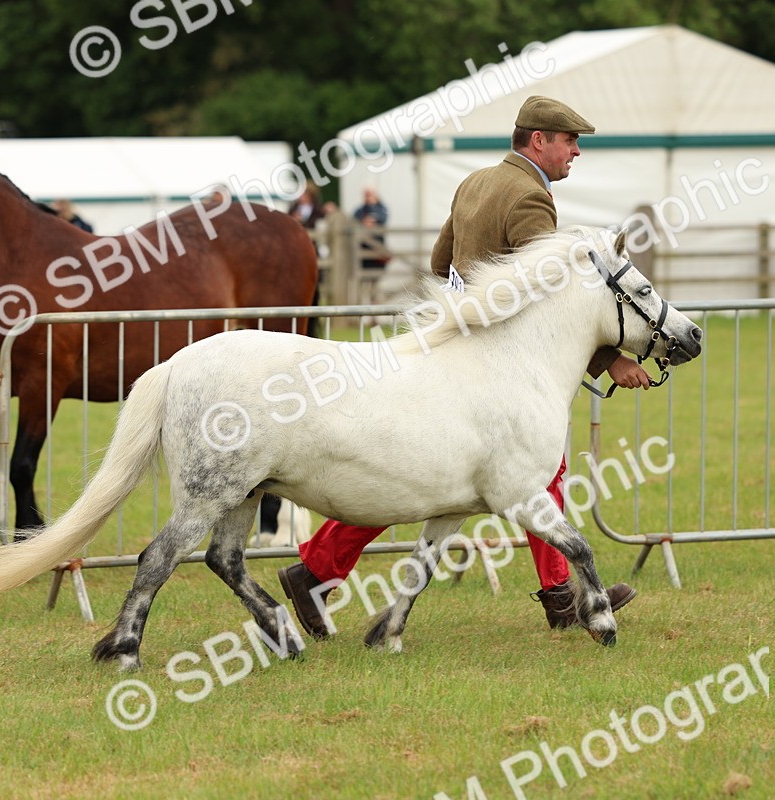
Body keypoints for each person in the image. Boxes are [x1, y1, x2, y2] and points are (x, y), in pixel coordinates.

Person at [279, 96, 651, 638]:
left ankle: (316, 570)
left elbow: (440, 262)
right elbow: (549, 297)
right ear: (539, 141)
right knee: (535, 472)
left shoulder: (475, 181)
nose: (575, 152)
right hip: (497, 363)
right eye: (570, 141)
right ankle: (560, 598)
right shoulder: (530, 199)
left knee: (413, 472)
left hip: (456, 348)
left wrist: (459, 313)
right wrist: (610, 359)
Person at [354, 187, 390, 271]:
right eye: (366, 195)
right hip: (364, 245)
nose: (368, 197)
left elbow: (383, 219)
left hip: (377, 244)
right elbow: (355, 220)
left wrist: (372, 208)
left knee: (377, 268)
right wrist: (363, 222)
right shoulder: (360, 210)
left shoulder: (381, 208)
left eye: (369, 195)